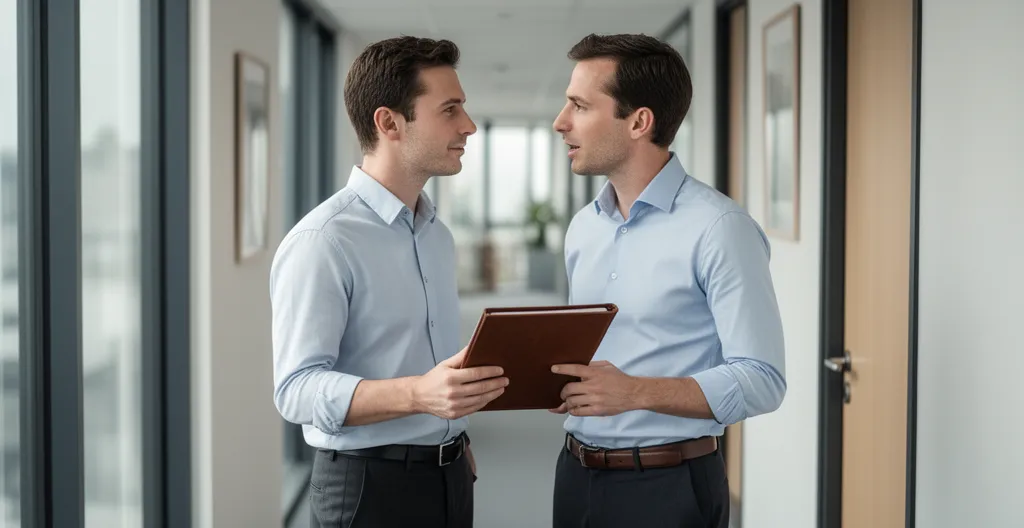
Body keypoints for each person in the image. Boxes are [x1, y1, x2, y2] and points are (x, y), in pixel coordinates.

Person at [548, 33, 787, 527]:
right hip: (574, 474)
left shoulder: (719, 229)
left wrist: (635, 393)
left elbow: (762, 380)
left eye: (579, 106)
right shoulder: (583, 228)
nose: (561, 122)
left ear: (639, 121)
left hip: (669, 485)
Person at [269, 36, 508, 528]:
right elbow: (296, 389)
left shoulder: (436, 235)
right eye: (450, 109)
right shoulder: (324, 240)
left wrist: (450, 437)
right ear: (389, 122)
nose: (469, 125)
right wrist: (419, 396)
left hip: (449, 474)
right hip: (367, 489)